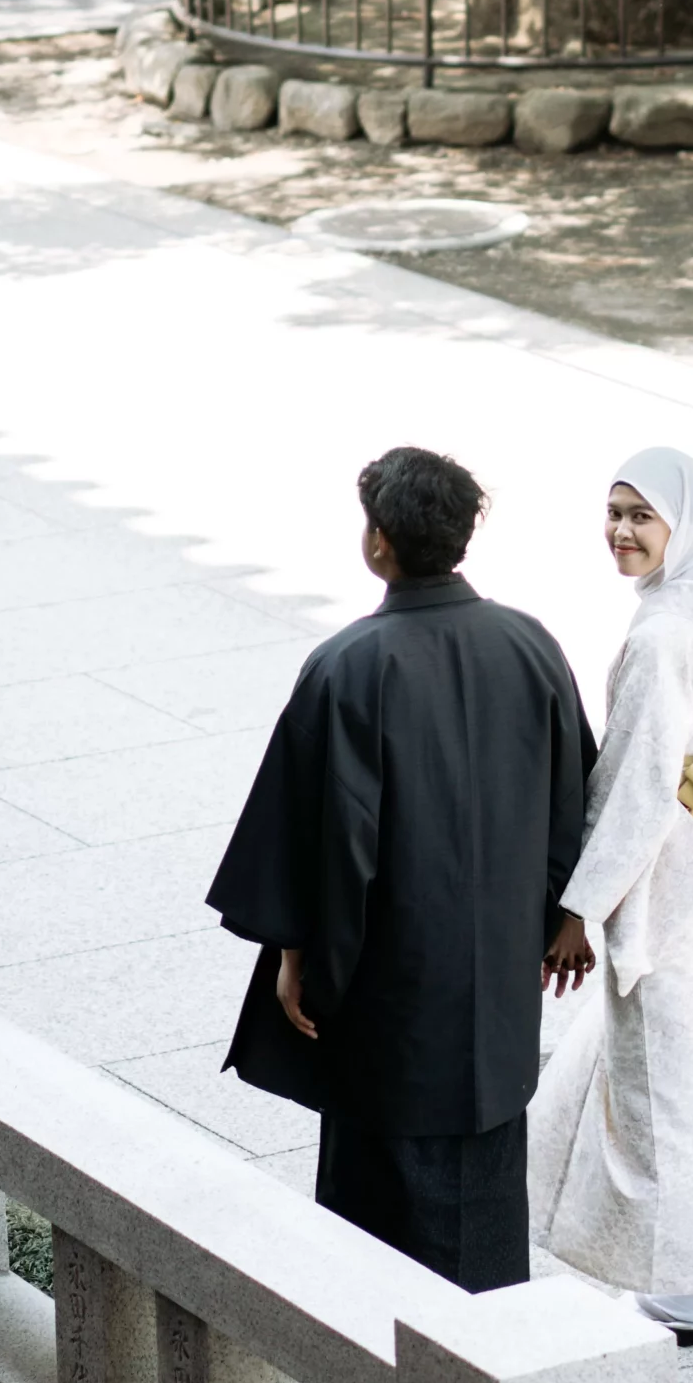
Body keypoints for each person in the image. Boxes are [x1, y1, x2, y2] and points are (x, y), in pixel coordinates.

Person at [208, 445, 595, 1293]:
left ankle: (379, 1354)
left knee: (379, 1209)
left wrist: (296, 956)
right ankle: (491, 1343)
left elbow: (321, 841)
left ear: (379, 540)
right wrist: (564, 916)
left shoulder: (350, 665)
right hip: (498, 978)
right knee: (483, 1185)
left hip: (392, 980)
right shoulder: (530, 643)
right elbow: (574, 794)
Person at [530, 447, 693, 1342]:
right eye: (613, 512)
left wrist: (580, 907)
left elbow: (635, 784)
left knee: (660, 1087)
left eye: (641, 516)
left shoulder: (658, 637)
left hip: (667, 881)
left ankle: (677, 1289)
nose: (621, 531)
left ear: (683, 523)